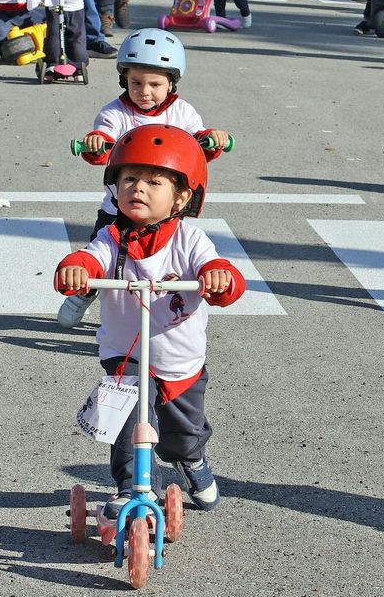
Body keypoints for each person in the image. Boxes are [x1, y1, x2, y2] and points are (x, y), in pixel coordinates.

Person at [54, 124, 245, 515]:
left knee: (182, 434)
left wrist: (220, 279)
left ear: (182, 197)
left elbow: (222, 273)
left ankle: (191, 459)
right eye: (129, 179)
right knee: (129, 423)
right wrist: (76, 268)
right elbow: (90, 259)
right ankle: (133, 488)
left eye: (154, 182)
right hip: (125, 354)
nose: (138, 188)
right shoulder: (112, 238)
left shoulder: (190, 241)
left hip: (179, 361)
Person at [56, 31, 230, 328]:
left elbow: (196, 147)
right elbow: (103, 143)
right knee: (103, 260)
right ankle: (84, 293)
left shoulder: (182, 111)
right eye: (136, 82)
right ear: (124, 79)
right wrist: (96, 143)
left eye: (155, 84)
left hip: (165, 212)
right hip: (119, 210)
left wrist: (211, 140)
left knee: (167, 265)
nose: (144, 91)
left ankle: (167, 312)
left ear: (171, 83)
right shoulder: (115, 113)